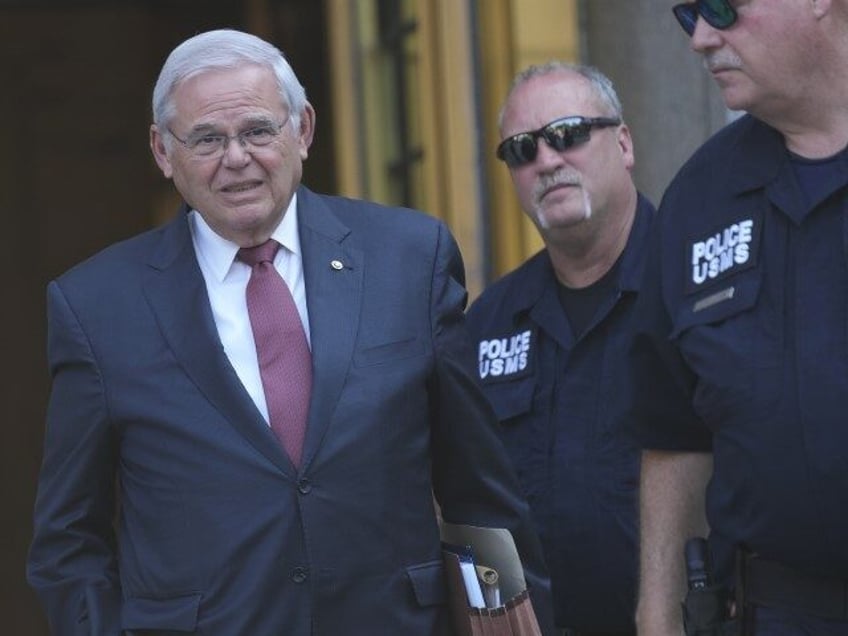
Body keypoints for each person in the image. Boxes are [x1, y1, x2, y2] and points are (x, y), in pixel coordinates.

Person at [26, 28, 556, 635]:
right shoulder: (97, 305)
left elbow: (480, 492)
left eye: (257, 130)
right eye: (206, 139)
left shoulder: (409, 258)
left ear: (302, 129)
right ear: (161, 151)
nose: (236, 158)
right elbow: (69, 542)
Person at [629, 1, 848, 634]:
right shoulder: (702, 197)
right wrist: (658, 613)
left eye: (723, 8)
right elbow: (674, 433)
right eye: (690, 13)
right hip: (775, 610)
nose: (700, 38)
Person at [465, 61, 655, 635]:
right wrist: (493, 621)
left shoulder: (691, 287)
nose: (546, 161)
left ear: (622, 143)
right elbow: (469, 498)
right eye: (522, 150)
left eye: (568, 134)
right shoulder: (488, 323)